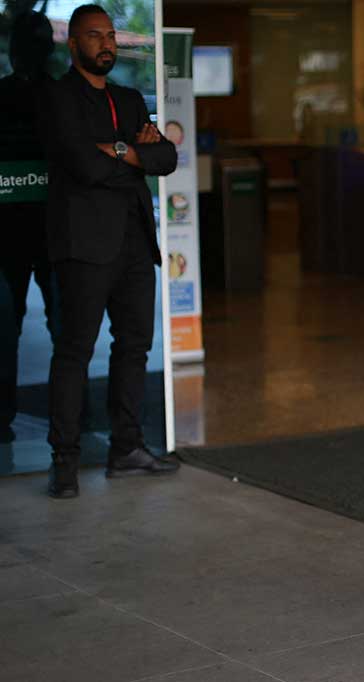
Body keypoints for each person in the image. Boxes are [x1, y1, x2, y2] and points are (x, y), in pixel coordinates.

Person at [43, 4, 179, 499]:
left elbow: (166, 158)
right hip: (83, 244)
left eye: (110, 36)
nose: (106, 44)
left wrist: (118, 149)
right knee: (75, 351)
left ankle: (127, 449)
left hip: (135, 242)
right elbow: (82, 164)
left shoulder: (128, 98)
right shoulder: (59, 98)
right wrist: (133, 155)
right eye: (94, 35)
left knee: (134, 347)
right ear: (74, 43)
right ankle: (65, 462)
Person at [0, 11, 61, 442]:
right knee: (8, 328)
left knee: (64, 328)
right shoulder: (56, 97)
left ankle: (69, 414)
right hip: (15, 231)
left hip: (51, 229)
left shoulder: (60, 97)